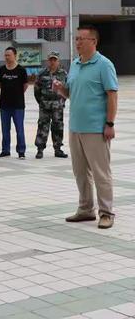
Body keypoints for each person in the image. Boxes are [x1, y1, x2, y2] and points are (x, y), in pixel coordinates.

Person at [53, 25, 118, 229]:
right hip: (76, 128)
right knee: (80, 172)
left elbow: (112, 95)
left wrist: (109, 123)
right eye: (76, 39)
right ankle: (85, 209)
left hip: (96, 129)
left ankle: (106, 212)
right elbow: (70, 94)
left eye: (82, 39)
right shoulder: (75, 64)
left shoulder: (104, 65)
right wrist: (60, 89)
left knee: (101, 172)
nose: (78, 42)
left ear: (94, 42)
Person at [34, 51, 68, 159]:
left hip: (58, 105)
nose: (53, 62)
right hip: (45, 105)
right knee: (42, 126)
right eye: (51, 60)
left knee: (58, 127)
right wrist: (41, 101)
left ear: (58, 61)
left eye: (55, 60)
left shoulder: (63, 74)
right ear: (48, 61)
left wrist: (62, 101)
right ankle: (40, 149)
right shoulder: (42, 73)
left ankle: (58, 149)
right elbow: (37, 90)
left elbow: (67, 89)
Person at [0, 47, 28, 159]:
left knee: (19, 129)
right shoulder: (1, 70)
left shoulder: (21, 70)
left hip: (18, 105)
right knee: (5, 129)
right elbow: (0, 84)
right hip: (4, 105)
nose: (7, 57)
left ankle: (21, 151)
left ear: (15, 55)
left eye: (9, 55)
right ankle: (5, 150)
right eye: (5, 55)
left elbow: (25, 86)